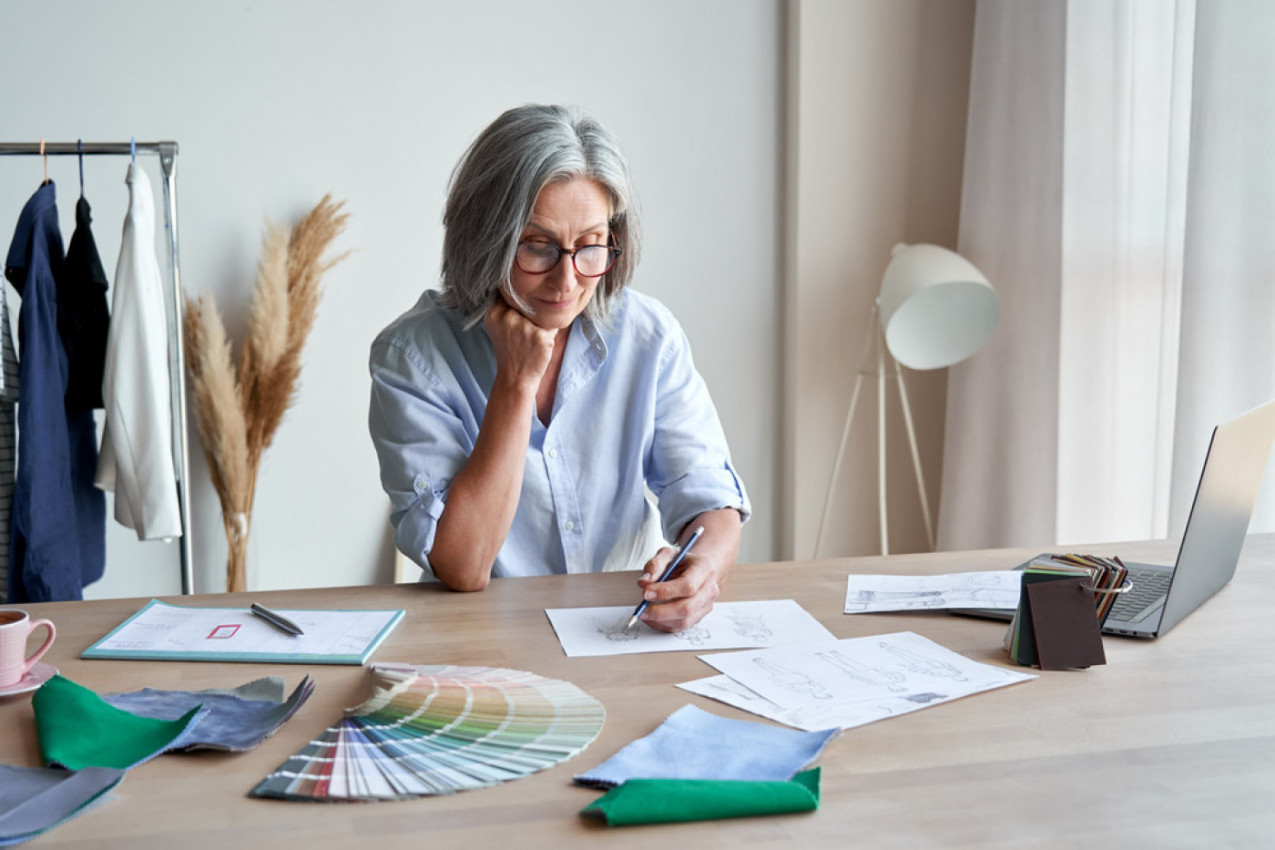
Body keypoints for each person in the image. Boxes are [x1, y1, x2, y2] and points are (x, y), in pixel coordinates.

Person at [368, 104, 749, 632]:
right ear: (487, 238)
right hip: (482, 643)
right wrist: (516, 384)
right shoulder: (412, 358)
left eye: (591, 245)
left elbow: (709, 497)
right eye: (538, 247)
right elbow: (463, 564)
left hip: (624, 630)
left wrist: (700, 571)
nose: (568, 281)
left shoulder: (647, 336)